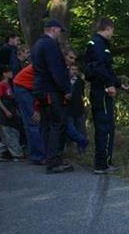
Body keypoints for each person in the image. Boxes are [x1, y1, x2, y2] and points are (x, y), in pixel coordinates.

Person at [85, 18, 128, 174]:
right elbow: (99, 68)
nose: (112, 34)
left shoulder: (99, 45)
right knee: (105, 126)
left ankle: (103, 161)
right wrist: (108, 85)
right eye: (112, 30)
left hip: (102, 89)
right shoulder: (97, 44)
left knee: (106, 125)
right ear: (108, 28)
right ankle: (102, 163)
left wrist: (117, 83)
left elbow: (106, 69)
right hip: (101, 92)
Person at [31, 19, 73, 174]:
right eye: (59, 31)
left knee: (47, 125)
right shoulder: (49, 45)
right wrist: (66, 89)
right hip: (51, 90)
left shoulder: (37, 45)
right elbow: (56, 69)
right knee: (57, 124)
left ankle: (50, 158)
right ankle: (55, 161)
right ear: (54, 30)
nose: (59, 35)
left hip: (40, 89)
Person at [13, 63, 46, 164]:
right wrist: (35, 108)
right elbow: (39, 88)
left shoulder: (49, 62)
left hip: (27, 88)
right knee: (33, 122)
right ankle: (38, 156)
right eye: (70, 58)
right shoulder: (47, 65)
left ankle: (38, 153)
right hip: (24, 88)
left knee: (35, 124)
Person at [0, 66, 25, 162]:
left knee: (12, 133)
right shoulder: (2, 84)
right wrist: (6, 111)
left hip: (12, 111)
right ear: (4, 73)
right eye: (9, 71)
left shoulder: (9, 84)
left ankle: (6, 153)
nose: (12, 73)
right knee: (7, 134)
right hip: (5, 112)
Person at [65, 53, 88, 153]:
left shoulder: (80, 81)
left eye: (76, 70)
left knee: (81, 128)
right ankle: (69, 146)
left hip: (78, 107)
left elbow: (82, 94)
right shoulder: (65, 80)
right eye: (72, 70)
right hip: (68, 108)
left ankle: (81, 147)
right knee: (70, 129)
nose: (74, 72)